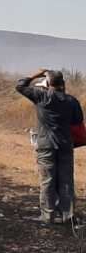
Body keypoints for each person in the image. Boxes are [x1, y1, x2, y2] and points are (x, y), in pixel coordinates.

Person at [16, 69, 84, 224]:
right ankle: (68, 215)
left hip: (46, 145)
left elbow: (20, 86)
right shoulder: (72, 101)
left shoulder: (42, 96)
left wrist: (35, 75)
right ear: (63, 83)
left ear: (47, 84)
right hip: (66, 145)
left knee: (48, 180)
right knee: (66, 180)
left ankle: (48, 216)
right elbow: (77, 120)